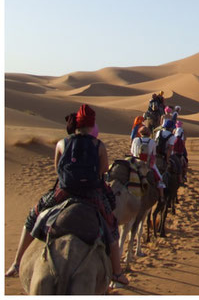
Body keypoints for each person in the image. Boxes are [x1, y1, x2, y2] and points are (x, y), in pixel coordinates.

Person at [5, 104, 129, 286]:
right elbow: (103, 170)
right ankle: (117, 273)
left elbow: (58, 168)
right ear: (92, 125)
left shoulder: (62, 143)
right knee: (111, 227)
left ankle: (16, 263)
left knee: (34, 216)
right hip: (92, 194)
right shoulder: (98, 145)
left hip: (64, 192)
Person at [130, 125, 165, 200]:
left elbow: (132, 152)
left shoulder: (135, 140)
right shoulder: (152, 141)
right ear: (148, 133)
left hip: (135, 163)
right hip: (147, 164)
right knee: (160, 178)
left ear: (140, 133)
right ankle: (161, 197)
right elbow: (154, 154)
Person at [155, 119, 183, 184]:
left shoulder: (159, 132)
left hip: (156, 153)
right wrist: (167, 159)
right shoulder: (172, 136)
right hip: (165, 154)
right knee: (178, 164)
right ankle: (180, 180)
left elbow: (155, 142)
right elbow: (170, 149)